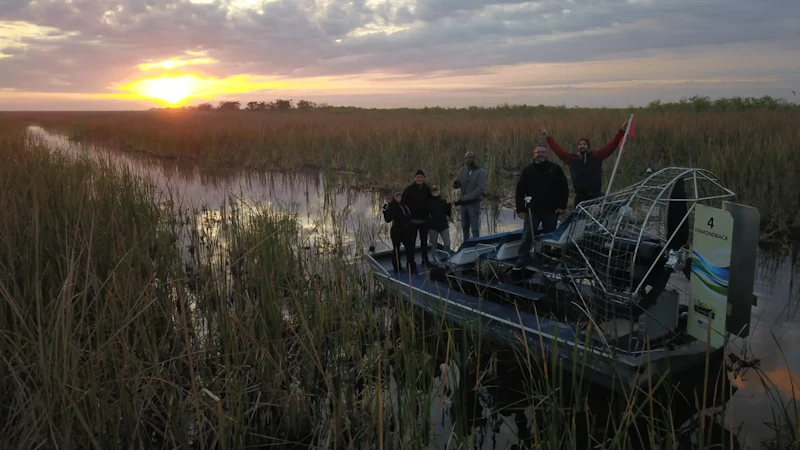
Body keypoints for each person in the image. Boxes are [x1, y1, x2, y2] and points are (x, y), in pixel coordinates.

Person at [540, 119, 629, 206]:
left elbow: (611, 145)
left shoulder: (596, 156)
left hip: (596, 195)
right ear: (577, 147)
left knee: (614, 207)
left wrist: (622, 130)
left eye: (584, 144)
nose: (582, 146)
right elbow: (558, 149)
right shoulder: (571, 159)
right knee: (578, 219)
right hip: (580, 197)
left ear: (588, 147)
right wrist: (548, 137)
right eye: (580, 144)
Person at [514, 146, 569, 270]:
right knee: (527, 235)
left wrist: (562, 206)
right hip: (532, 210)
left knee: (549, 236)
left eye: (543, 152)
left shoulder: (555, 169)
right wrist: (520, 209)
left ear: (547, 154)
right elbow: (520, 191)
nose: (540, 154)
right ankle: (521, 259)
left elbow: (563, 189)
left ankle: (545, 258)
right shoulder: (527, 170)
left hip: (551, 210)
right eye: (538, 152)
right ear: (534, 154)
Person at [401, 169, 433, 272]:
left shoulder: (428, 189)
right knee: (411, 244)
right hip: (412, 221)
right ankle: (411, 264)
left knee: (424, 243)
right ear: (414, 178)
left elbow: (433, 203)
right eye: (417, 177)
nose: (419, 179)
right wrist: (406, 218)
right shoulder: (409, 189)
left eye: (421, 177)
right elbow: (402, 205)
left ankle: (425, 260)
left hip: (424, 221)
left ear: (424, 179)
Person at [453, 151, 487, 240]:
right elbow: (457, 186)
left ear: (474, 158)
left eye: (470, 157)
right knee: (464, 227)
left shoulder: (481, 171)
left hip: (473, 204)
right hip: (463, 205)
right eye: (466, 158)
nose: (468, 160)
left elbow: (480, 189)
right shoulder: (463, 170)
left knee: (475, 229)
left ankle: (476, 245)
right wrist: (455, 183)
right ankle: (466, 246)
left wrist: (465, 198)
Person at [382, 190, 411, 273]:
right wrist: (384, 211)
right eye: (396, 196)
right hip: (396, 231)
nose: (398, 197)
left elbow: (408, 216)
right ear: (393, 197)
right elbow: (388, 220)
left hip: (406, 230)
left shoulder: (404, 205)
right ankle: (397, 267)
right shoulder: (391, 206)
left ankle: (410, 264)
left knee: (409, 248)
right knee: (396, 249)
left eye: (399, 196)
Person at [427, 185, 453, 258]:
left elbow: (448, 213)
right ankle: (435, 261)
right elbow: (425, 214)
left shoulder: (443, 201)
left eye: (436, 190)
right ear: (431, 192)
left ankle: (445, 258)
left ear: (439, 191)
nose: (435, 192)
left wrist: (449, 205)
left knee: (447, 243)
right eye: (433, 191)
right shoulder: (428, 202)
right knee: (434, 245)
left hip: (443, 225)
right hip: (433, 227)